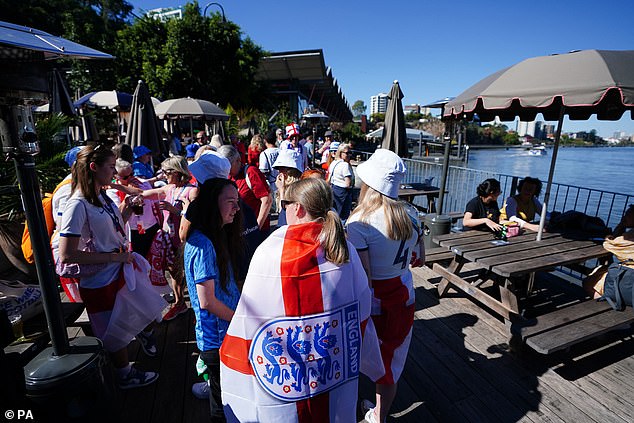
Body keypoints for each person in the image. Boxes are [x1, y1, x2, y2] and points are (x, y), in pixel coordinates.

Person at [220, 178, 383, 422]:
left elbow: (249, 318)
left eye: (284, 203)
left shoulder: (268, 251)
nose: (283, 209)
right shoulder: (343, 248)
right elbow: (361, 306)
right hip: (331, 368)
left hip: (285, 378)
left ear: (298, 208)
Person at [58, 145, 166, 389]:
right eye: (110, 167)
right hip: (100, 280)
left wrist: (126, 210)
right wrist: (113, 258)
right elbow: (66, 255)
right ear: (94, 168)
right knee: (113, 332)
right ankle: (124, 374)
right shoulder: (77, 204)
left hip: (119, 269)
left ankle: (134, 353)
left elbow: (109, 231)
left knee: (146, 309)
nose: (114, 172)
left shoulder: (101, 196)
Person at [346, 149, 424, 423]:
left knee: (355, 357)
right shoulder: (411, 215)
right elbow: (420, 259)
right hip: (403, 295)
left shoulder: (359, 223)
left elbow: (364, 277)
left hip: (372, 300)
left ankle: (349, 410)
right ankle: (379, 415)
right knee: (391, 361)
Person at [183, 177, 244, 420]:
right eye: (230, 202)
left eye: (237, 202)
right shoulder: (203, 243)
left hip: (223, 334)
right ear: (211, 204)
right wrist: (241, 320)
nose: (236, 208)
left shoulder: (214, 235)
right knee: (222, 406)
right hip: (219, 337)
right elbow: (207, 300)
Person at [142, 156, 198, 321]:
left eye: (166, 171)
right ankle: (179, 302)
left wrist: (173, 210)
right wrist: (115, 186)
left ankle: (194, 307)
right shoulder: (170, 188)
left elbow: (195, 217)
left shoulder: (192, 190)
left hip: (184, 238)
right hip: (169, 238)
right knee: (174, 272)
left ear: (177, 172)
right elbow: (143, 193)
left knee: (188, 274)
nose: (164, 174)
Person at [218, 145, 273, 232]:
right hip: (239, 231)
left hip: (256, 230)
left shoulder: (251, 172)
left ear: (238, 161)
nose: (225, 169)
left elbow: (267, 200)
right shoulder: (227, 176)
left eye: (228, 165)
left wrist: (257, 227)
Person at [583, 204, 634, 298]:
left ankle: (605, 302)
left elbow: (610, 244)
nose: (624, 216)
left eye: (627, 215)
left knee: (588, 282)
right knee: (602, 270)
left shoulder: (629, 237)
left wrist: (622, 224)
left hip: (630, 276)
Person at [271, 149, 304, 226]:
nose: (280, 172)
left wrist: (281, 190)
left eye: (283, 168)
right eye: (279, 169)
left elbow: (285, 213)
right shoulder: (284, 187)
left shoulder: (299, 190)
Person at [326, 142, 354, 221]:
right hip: (344, 192)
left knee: (335, 213)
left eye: (350, 153)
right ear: (340, 153)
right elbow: (348, 183)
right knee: (343, 217)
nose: (349, 155)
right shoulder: (345, 165)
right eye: (347, 153)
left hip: (335, 189)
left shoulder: (334, 163)